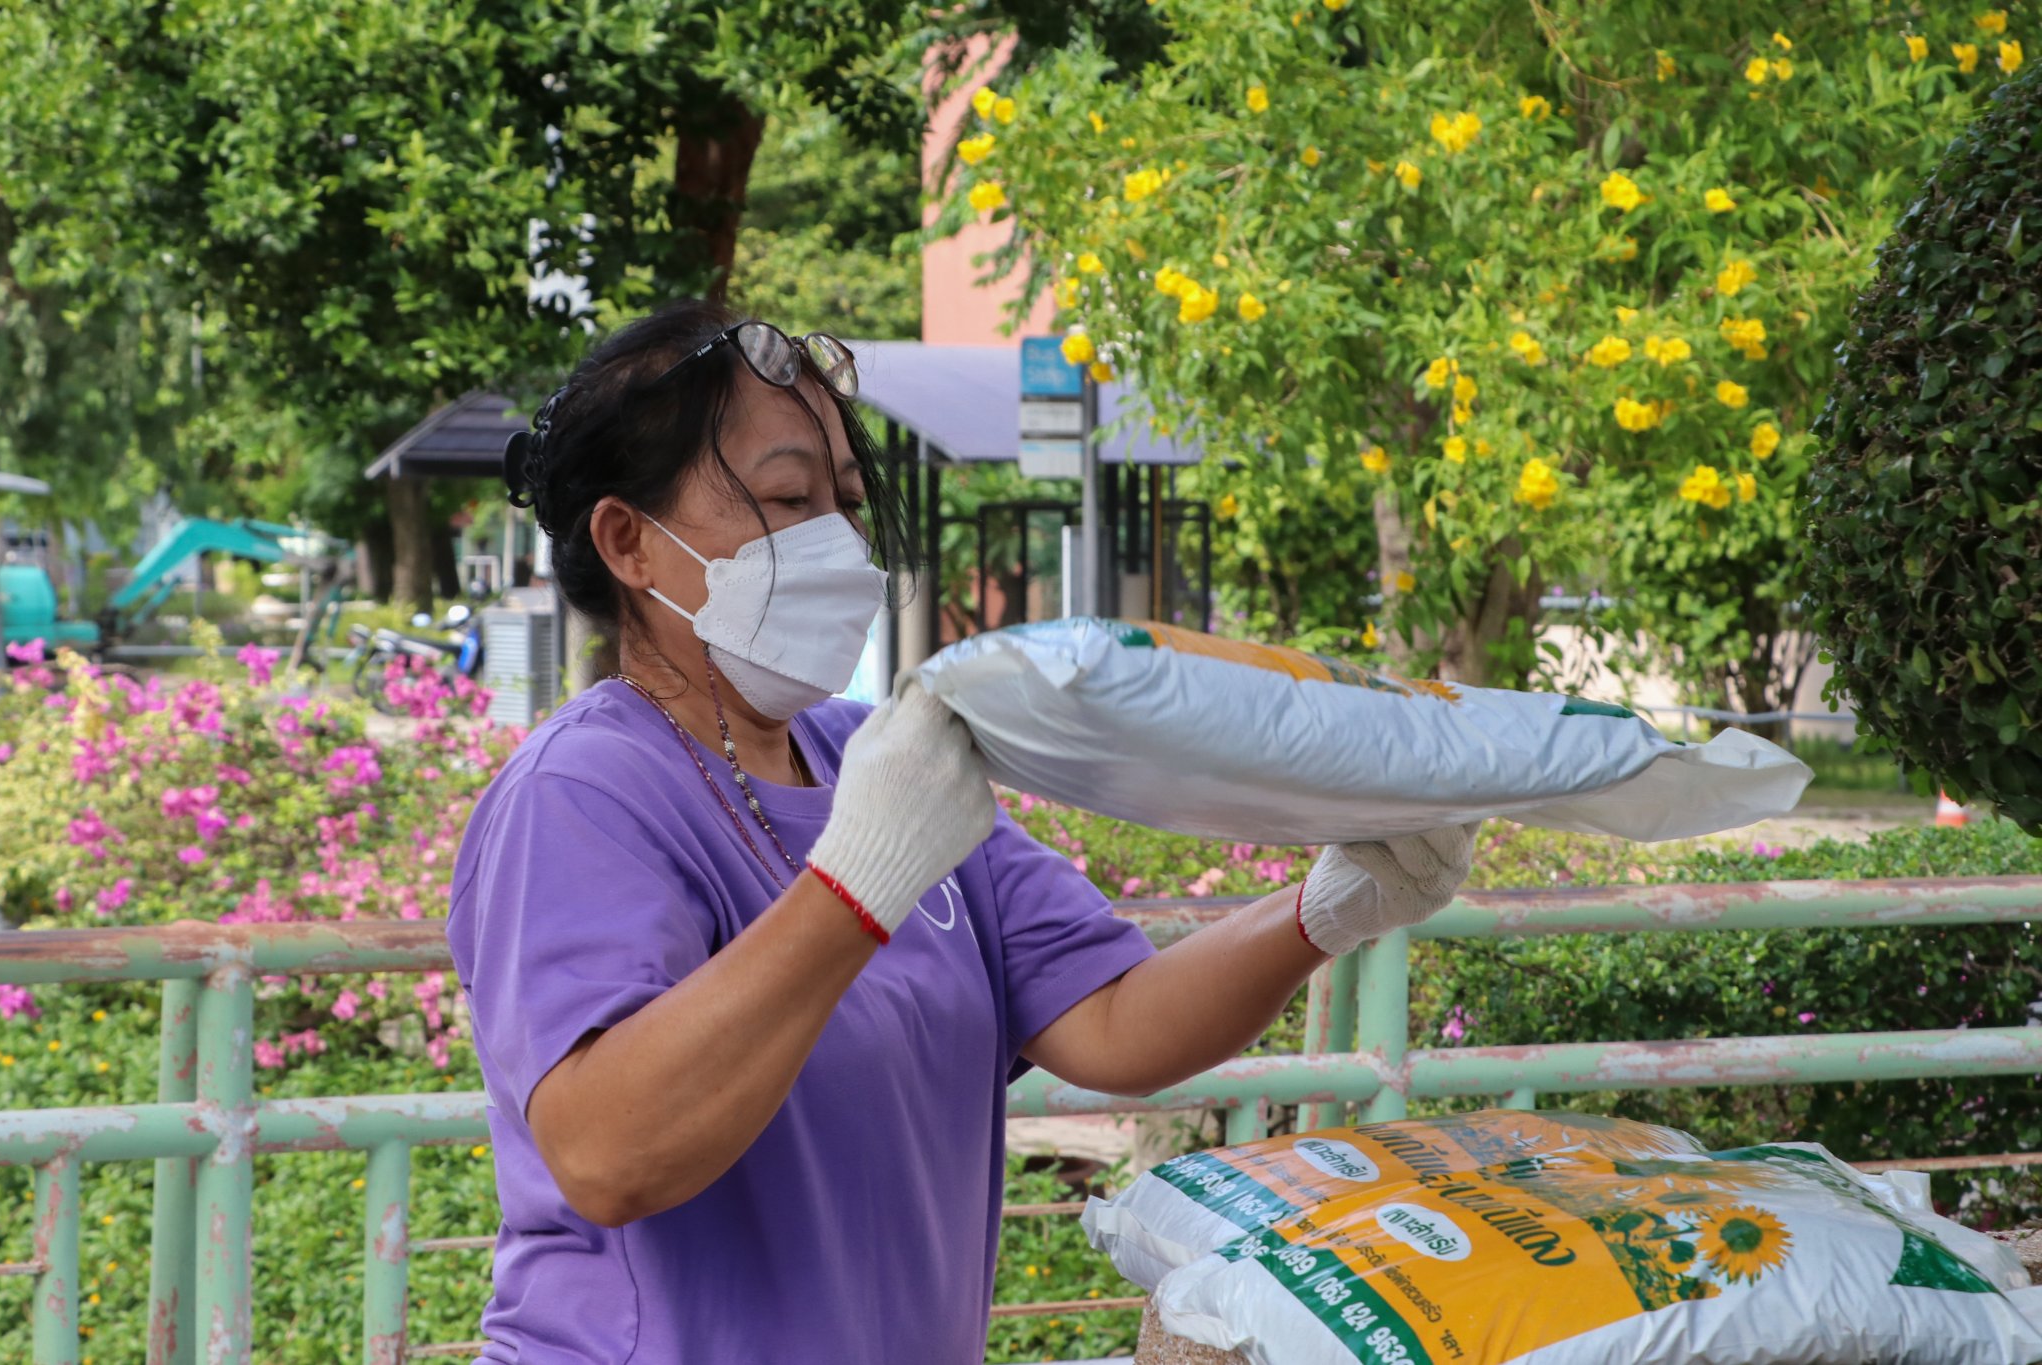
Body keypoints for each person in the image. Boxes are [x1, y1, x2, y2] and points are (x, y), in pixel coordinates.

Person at [449, 298, 1480, 1363]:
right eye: (787, 498)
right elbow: (608, 1153)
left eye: (846, 502)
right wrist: (854, 889)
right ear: (629, 542)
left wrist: (1325, 910)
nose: (837, 541)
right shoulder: (584, 791)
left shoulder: (879, 757)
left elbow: (1113, 1023)